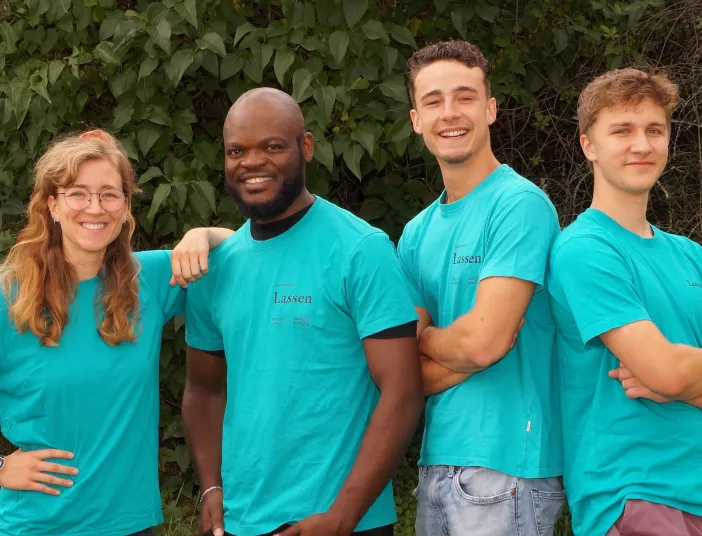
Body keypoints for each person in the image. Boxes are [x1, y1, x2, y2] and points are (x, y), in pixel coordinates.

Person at [182, 87, 424, 536]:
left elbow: (403, 392)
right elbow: (203, 390)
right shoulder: (213, 269)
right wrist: (211, 488)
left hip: (336, 521)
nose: (251, 162)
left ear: (306, 147)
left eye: (272, 146)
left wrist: (342, 516)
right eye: (237, 151)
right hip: (239, 521)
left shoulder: (360, 249)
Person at [0, 129, 232, 536]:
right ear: (52, 205)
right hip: (37, 524)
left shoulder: (151, 278)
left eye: (110, 194)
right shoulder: (9, 295)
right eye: (77, 193)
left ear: (126, 207)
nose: (95, 207)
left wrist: (203, 234)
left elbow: (241, 256)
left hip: (133, 523)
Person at [397, 40, 564, 536]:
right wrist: (461, 346)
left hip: (508, 465)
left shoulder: (519, 205)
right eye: (433, 101)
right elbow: (407, 375)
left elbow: (486, 342)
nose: (450, 113)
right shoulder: (415, 233)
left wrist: (429, 340)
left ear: (490, 109)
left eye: (465, 97)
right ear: (416, 119)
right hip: (436, 463)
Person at [547, 68, 702, 536]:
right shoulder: (585, 249)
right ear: (588, 145)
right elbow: (665, 372)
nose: (642, 144)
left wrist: (682, 378)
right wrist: (674, 375)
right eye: (622, 130)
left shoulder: (691, 255)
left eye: (655, 130)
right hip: (635, 496)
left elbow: (672, 374)